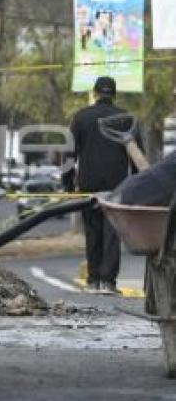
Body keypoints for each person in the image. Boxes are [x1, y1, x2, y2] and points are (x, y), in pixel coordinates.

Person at [65, 76, 140, 295]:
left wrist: (68, 182)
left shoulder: (81, 117)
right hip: (117, 185)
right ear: (114, 94)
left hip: (89, 184)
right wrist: (137, 183)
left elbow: (69, 154)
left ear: (95, 93)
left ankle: (93, 280)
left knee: (92, 231)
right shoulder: (126, 118)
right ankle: (108, 282)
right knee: (112, 233)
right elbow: (136, 153)